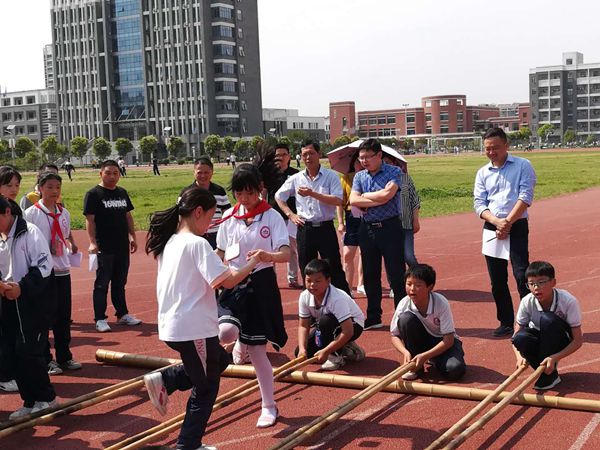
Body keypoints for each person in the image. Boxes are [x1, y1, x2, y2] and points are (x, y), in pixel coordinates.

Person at [144, 186, 261, 450]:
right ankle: (188, 444)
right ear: (198, 212)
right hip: (192, 327)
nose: (210, 225)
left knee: (219, 360)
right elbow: (227, 282)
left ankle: (169, 379)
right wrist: (252, 264)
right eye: (210, 218)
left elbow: (205, 277)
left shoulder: (171, 241)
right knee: (207, 387)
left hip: (178, 324)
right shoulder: (197, 243)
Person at [216, 163, 290, 428]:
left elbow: (286, 253)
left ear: (260, 190)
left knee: (259, 351)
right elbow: (222, 253)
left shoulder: (271, 217)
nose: (244, 199)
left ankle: (269, 406)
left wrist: (267, 256)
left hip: (260, 283)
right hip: (233, 282)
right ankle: (239, 342)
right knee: (225, 333)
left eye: (249, 193)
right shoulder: (229, 217)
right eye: (239, 193)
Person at [474, 127, 537, 337]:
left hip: (516, 225)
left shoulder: (523, 165)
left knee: (521, 275)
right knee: (497, 280)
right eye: (487, 149)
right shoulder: (483, 172)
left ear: (506, 146)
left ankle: (530, 320)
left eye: (496, 148)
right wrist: (496, 222)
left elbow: (525, 196)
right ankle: (506, 322)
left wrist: (507, 222)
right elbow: (479, 203)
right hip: (492, 227)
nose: (491, 152)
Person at [0, 196, 58, 419]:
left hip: (34, 301)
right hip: (8, 301)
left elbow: (44, 266)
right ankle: (30, 400)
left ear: (6, 212)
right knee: (13, 353)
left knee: (30, 352)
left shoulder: (30, 232)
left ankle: (47, 398)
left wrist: (22, 288)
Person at [24, 172, 82, 376]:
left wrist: (71, 246)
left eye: (57, 187)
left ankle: (64, 356)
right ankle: (47, 359)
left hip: (62, 270)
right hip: (42, 272)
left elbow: (64, 236)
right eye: (49, 187)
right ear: (39, 188)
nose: (54, 191)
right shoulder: (31, 214)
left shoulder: (63, 213)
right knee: (43, 315)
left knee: (63, 315)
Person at [275, 139, 350, 294]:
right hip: (305, 228)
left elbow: (338, 200)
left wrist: (312, 193)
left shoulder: (330, 176)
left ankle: (345, 305)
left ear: (319, 154)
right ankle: (312, 307)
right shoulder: (296, 178)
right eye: (304, 154)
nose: (308, 157)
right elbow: (278, 196)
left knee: (333, 267)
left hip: (325, 228)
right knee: (307, 269)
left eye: (311, 153)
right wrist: (291, 215)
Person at [350, 138, 407, 330]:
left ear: (379, 155)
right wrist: (370, 198)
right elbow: (353, 201)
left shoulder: (395, 172)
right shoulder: (359, 176)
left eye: (368, 157)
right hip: (368, 229)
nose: (364, 161)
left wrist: (365, 197)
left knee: (396, 274)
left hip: (390, 227)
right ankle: (373, 316)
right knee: (370, 274)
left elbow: (388, 195)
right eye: (361, 157)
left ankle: (402, 316)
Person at [83, 160, 142, 332]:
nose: (112, 176)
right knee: (102, 283)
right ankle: (100, 318)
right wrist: (92, 242)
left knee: (119, 282)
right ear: (100, 173)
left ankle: (122, 314)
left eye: (115, 173)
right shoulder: (93, 194)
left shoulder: (122, 193)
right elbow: (90, 220)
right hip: (104, 246)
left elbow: (128, 216)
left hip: (121, 246)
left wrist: (132, 236)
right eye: (108, 173)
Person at [512, 261, 583, 390]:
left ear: (553, 282)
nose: (536, 288)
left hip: (561, 339)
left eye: (541, 282)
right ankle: (549, 374)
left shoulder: (568, 301)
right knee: (520, 338)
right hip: (539, 338)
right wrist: (519, 357)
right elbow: (515, 336)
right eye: (531, 284)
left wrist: (554, 357)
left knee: (547, 319)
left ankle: (548, 370)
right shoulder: (527, 301)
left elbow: (578, 341)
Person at [390, 264, 466, 381]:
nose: (412, 289)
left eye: (418, 285)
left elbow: (448, 340)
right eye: (409, 284)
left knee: (455, 370)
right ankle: (416, 367)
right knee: (406, 319)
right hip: (421, 340)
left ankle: (435, 359)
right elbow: (394, 335)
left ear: (430, 287)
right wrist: (405, 352)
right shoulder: (404, 304)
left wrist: (426, 355)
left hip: (441, 342)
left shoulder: (441, 303)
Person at [297, 259, 366, 371]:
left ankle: (335, 357)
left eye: (317, 281)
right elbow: (303, 325)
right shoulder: (304, 296)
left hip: (353, 325)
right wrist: (302, 349)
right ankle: (345, 347)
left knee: (326, 321)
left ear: (328, 281)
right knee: (306, 354)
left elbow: (348, 331)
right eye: (308, 281)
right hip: (327, 326)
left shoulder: (337, 299)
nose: (312, 285)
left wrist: (326, 351)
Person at [0, 166, 22, 392]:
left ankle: (10, 370)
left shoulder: (15, 209)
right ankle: (4, 375)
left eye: (16, 185)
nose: (14, 189)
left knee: (10, 329)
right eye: (8, 185)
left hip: (11, 279)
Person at [179, 157, 231, 250]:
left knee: (215, 263)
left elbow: (227, 214)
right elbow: (179, 216)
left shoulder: (219, 191)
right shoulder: (186, 193)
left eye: (206, 172)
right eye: (199, 172)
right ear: (194, 173)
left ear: (212, 172)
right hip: (193, 237)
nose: (203, 176)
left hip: (215, 236)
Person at [270, 142, 301, 289]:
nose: (280, 158)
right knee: (271, 250)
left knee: (292, 249)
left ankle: (293, 278)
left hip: (290, 216)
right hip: (272, 216)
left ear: (289, 156)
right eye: (277, 155)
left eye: (283, 154)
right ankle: (271, 279)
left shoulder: (296, 174)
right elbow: (263, 193)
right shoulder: (269, 174)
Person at [382, 155, 421, 269]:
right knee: (391, 257)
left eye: (389, 162)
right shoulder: (379, 181)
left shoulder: (404, 179)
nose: (387, 165)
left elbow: (414, 201)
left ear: (395, 163)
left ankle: (419, 277)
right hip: (387, 224)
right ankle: (397, 285)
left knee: (408, 256)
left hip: (405, 222)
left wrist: (415, 220)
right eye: (383, 163)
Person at [336, 155, 364, 295]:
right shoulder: (346, 179)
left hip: (367, 216)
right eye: (358, 160)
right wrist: (340, 223)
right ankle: (348, 287)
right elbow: (340, 203)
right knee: (347, 254)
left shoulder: (371, 178)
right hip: (351, 217)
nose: (361, 163)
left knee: (365, 252)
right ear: (354, 163)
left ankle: (361, 283)